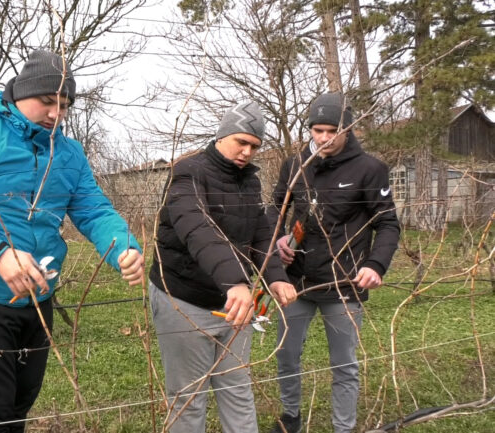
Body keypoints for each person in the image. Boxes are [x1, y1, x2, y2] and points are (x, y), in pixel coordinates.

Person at [0, 50, 145, 433]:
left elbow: (93, 210)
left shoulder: (68, 153)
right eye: (48, 101)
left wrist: (123, 246)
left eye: (65, 105)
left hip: (39, 295)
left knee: (21, 404)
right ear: (21, 93)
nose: (57, 113)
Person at [149, 100, 298, 433]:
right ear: (222, 135)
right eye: (240, 141)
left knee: (237, 390)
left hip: (234, 304)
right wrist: (235, 282)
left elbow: (260, 229)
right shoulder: (187, 172)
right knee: (188, 397)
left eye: (254, 146)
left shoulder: (248, 180)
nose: (246, 152)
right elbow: (197, 226)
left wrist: (275, 276)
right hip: (183, 297)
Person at [267, 92, 400, 433]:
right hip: (296, 281)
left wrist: (376, 265)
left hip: (344, 284)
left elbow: (387, 222)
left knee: (344, 364)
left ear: (348, 128)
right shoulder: (295, 165)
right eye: (317, 130)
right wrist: (277, 237)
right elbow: (275, 208)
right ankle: (291, 418)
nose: (323, 138)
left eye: (331, 131)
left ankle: (344, 428)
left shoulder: (370, 169)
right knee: (286, 356)